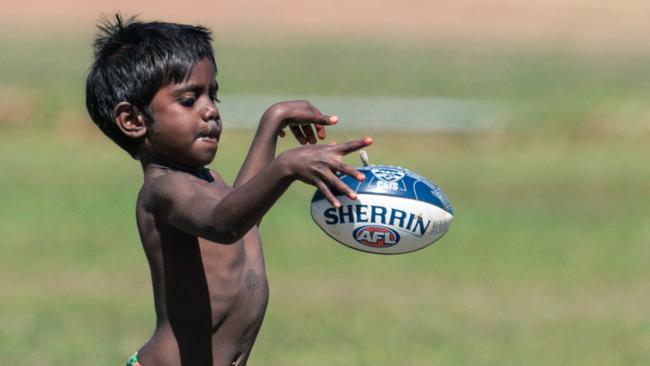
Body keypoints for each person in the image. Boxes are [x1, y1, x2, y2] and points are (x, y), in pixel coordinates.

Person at [85, 15, 372, 366]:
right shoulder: (163, 191)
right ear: (133, 121)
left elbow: (243, 221)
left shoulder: (207, 181)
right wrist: (287, 166)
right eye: (189, 100)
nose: (210, 111)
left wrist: (274, 120)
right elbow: (225, 225)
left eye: (212, 95)